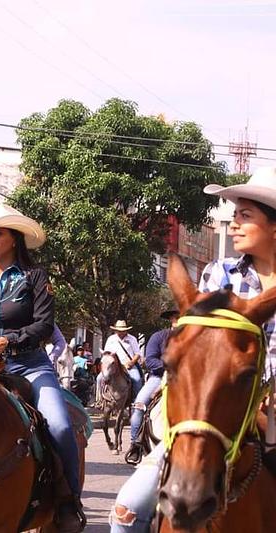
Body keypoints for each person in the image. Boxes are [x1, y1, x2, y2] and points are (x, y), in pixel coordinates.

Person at [110, 167, 276, 531]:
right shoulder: (220, 273)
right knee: (128, 510)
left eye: (245, 216)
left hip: (270, 408)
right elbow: (200, 348)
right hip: (211, 405)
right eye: (234, 216)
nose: (234, 224)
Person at [0, 204, 84, 532]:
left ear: (14, 239)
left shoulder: (36, 277)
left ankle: (67, 500)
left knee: (59, 427)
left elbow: (44, 325)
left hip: (29, 366)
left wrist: (8, 341)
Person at [124, 309, 177, 464]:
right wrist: (170, 366)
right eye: (177, 317)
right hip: (159, 377)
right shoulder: (159, 337)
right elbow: (150, 360)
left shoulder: (196, 338)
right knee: (139, 404)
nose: (181, 320)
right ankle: (136, 444)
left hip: (186, 378)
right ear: (171, 319)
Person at [98, 320, 144, 404]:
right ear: (115, 330)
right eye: (119, 331)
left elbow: (137, 354)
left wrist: (131, 362)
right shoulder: (111, 339)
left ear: (126, 330)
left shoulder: (132, 339)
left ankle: (136, 402)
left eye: (123, 331)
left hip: (128, 365)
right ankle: (100, 400)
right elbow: (106, 353)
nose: (121, 333)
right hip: (113, 365)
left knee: (137, 380)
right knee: (99, 378)